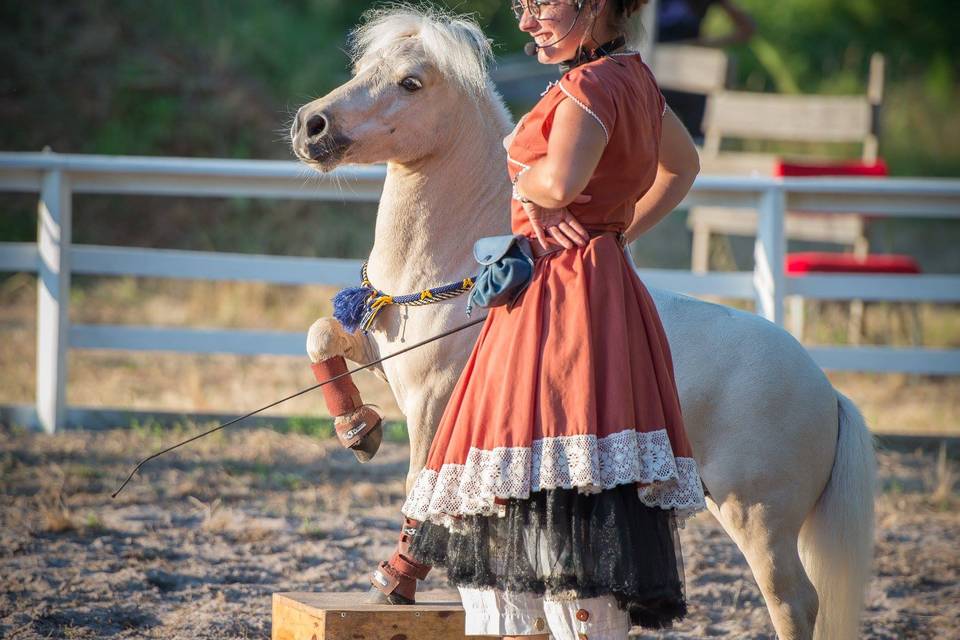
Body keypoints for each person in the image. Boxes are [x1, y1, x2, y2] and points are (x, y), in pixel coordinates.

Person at [382, 2, 707, 638]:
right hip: (594, 280)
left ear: (594, 5)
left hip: (560, 298)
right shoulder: (634, 76)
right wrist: (611, 236)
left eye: (542, 5)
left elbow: (559, 182)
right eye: (521, 7)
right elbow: (683, 167)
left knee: (548, 462)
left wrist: (525, 181)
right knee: (561, 468)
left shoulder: (588, 85)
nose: (528, 22)